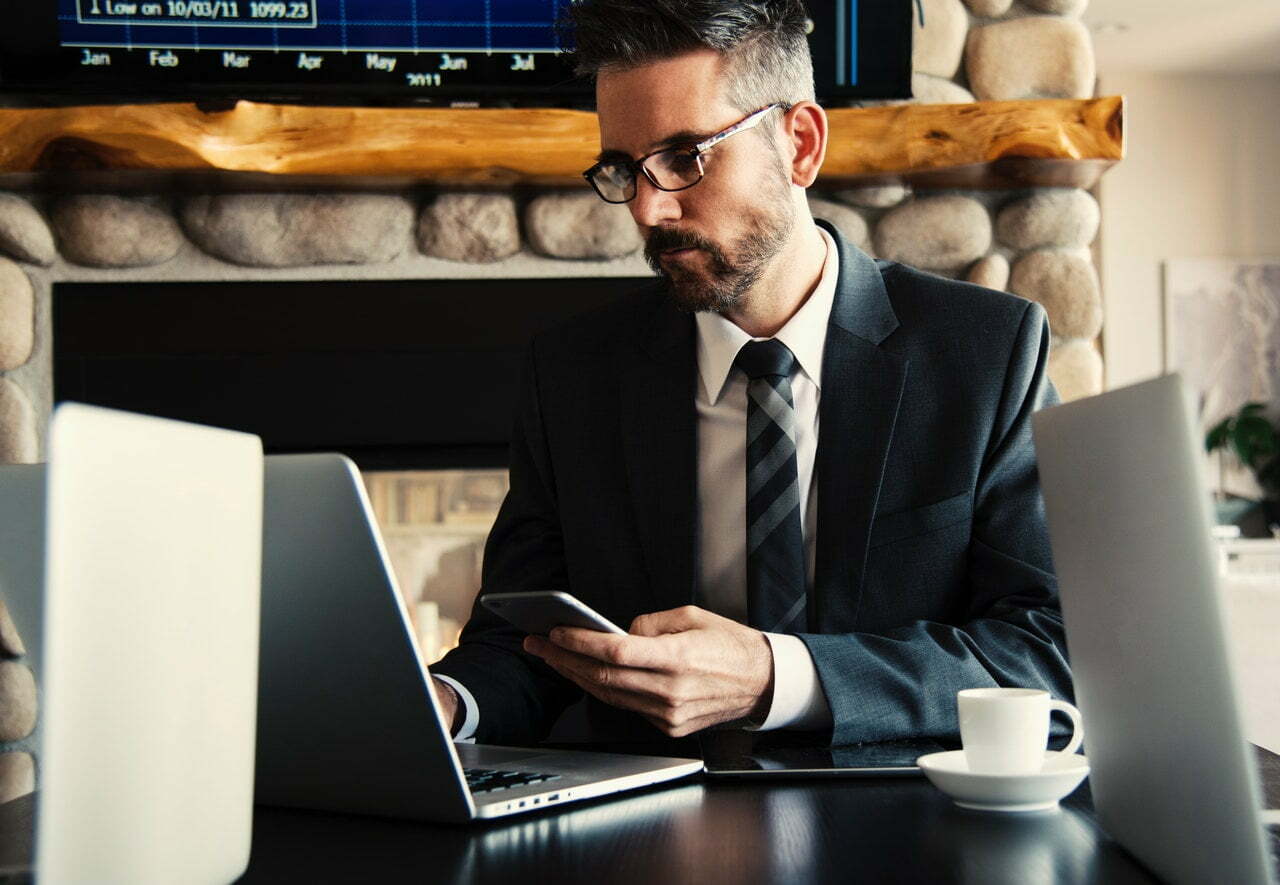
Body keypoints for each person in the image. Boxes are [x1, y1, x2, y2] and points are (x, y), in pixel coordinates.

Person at [429, 0, 1071, 748]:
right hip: (649, 834)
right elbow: (522, 643)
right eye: (622, 168)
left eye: (685, 157)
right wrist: (442, 701)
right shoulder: (571, 376)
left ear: (799, 144)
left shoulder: (987, 353)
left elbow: (1046, 648)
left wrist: (776, 676)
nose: (648, 207)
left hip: (902, 824)